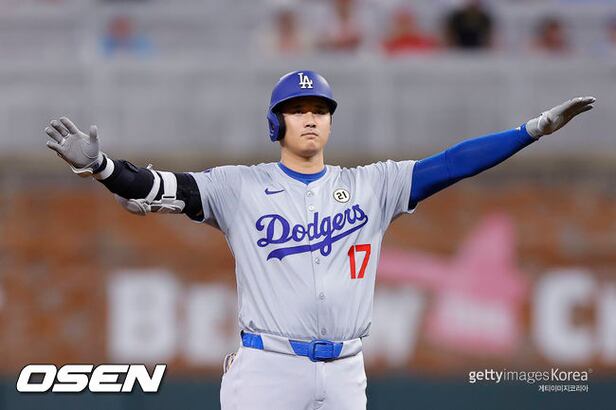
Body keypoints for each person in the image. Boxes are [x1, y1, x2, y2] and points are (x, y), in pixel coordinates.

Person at [44, 70, 595, 409]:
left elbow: (451, 163)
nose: (309, 118)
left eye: (319, 110)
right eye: (297, 110)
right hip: (269, 368)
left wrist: (531, 131)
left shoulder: (373, 186)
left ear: (330, 123)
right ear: (276, 123)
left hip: (345, 371)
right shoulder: (239, 187)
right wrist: (101, 167)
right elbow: (154, 186)